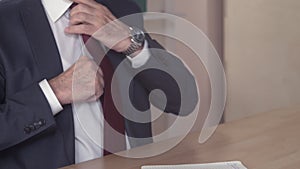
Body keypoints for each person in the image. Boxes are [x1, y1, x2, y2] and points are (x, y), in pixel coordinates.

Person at [0, 0, 198, 168]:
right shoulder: (5, 20)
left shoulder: (120, 8)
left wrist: (133, 44)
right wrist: (54, 93)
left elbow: (184, 98)